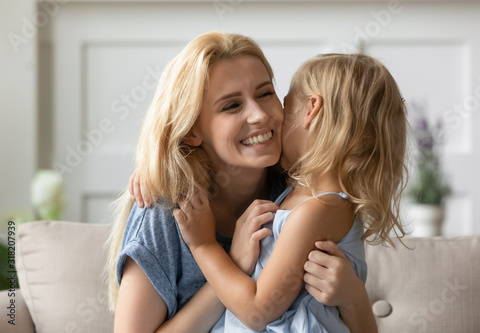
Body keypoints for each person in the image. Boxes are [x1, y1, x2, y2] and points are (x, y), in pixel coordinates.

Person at [106, 32, 378, 333]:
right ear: (192, 131)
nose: (260, 115)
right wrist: (232, 262)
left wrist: (355, 298)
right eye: (231, 106)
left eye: (265, 94)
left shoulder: (300, 191)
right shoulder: (167, 211)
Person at [173, 53, 408, 332]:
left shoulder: (318, 210)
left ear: (311, 110)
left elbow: (257, 311)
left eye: (287, 107)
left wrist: (204, 246)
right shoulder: (298, 193)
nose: (271, 122)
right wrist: (163, 166)